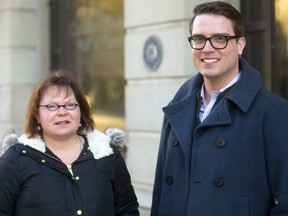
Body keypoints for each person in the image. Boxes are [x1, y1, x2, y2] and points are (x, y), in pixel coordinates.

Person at [151, 1, 288, 216]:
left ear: (240, 44)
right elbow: (161, 192)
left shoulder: (273, 112)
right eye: (199, 39)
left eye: (220, 39)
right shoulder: (177, 107)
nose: (207, 48)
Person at [0, 70, 139, 216]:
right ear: (37, 116)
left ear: (81, 111)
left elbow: (128, 210)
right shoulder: (16, 159)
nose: (62, 112)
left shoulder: (107, 155)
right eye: (51, 106)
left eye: (70, 105)